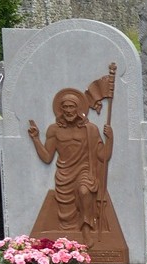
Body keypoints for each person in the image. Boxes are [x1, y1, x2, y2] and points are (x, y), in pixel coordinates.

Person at [28, 88, 114, 240]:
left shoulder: (91, 129)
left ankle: (87, 230)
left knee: (84, 191)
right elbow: (47, 157)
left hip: (85, 172)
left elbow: (103, 156)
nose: (68, 110)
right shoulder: (54, 130)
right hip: (64, 176)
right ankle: (70, 245)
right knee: (67, 222)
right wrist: (35, 138)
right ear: (60, 109)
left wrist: (110, 139)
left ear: (78, 108)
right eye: (65, 107)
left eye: (72, 106)